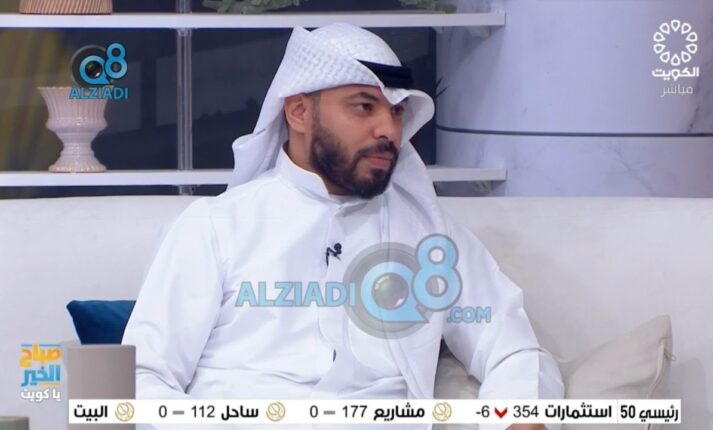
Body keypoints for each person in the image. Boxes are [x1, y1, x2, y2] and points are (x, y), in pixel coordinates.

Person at [123, 22, 563, 430]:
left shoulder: (430, 237)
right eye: (364, 107)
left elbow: (514, 350)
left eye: (396, 112)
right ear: (298, 112)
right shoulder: (214, 228)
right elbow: (144, 377)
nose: (388, 130)